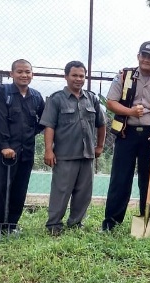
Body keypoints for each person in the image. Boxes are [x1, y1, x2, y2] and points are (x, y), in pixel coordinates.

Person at [101, 41, 150, 231]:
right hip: (127, 134)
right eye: (143, 55)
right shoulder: (124, 76)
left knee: (149, 180)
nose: (146, 59)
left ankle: (146, 220)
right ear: (138, 56)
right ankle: (111, 222)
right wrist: (130, 112)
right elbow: (111, 102)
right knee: (120, 179)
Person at [40, 61, 106, 236]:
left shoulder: (92, 98)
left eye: (81, 76)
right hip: (65, 155)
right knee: (61, 191)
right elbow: (49, 126)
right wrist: (48, 150)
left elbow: (101, 124)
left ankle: (76, 223)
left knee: (84, 193)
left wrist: (99, 146)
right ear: (66, 76)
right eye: (74, 75)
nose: (78, 79)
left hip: (87, 155)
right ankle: (54, 225)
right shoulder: (56, 99)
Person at [0, 59, 45, 240]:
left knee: (20, 189)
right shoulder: (1, 93)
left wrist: (30, 134)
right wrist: (4, 146)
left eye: (27, 72)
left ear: (32, 74)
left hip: (26, 152)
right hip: (4, 153)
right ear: (11, 74)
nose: (24, 75)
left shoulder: (36, 96)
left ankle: (11, 226)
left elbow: (43, 121)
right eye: (19, 71)